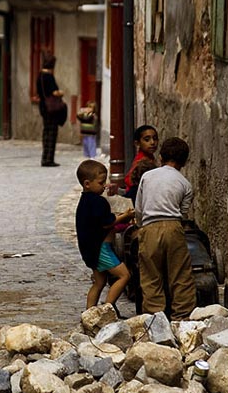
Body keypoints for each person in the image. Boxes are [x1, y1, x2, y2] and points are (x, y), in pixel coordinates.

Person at [135, 137, 197, 320]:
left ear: (160, 156)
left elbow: (139, 208)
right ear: (185, 161)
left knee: (151, 275)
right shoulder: (185, 184)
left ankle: (155, 319)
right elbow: (183, 213)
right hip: (173, 227)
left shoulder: (147, 176)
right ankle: (182, 317)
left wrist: (141, 226)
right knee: (180, 275)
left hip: (149, 227)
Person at [75, 159, 135, 311]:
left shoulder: (85, 201)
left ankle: (89, 313)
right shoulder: (97, 202)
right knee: (124, 275)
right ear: (87, 183)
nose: (104, 186)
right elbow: (107, 223)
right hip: (101, 248)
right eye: (101, 183)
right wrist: (124, 216)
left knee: (99, 282)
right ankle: (107, 309)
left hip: (90, 250)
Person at [36, 52, 64, 167]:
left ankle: (44, 157)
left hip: (43, 106)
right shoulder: (49, 77)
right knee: (52, 132)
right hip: (51, 108)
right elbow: (54, 92)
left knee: (46, 132)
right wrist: (61, 93)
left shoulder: (40, 76)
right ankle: (49, 159)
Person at [124, 125, 159, 194]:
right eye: (147, 140)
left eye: (155, 138)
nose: (152, 142)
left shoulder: (150, 158)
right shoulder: (141, 162)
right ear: (137, 143)